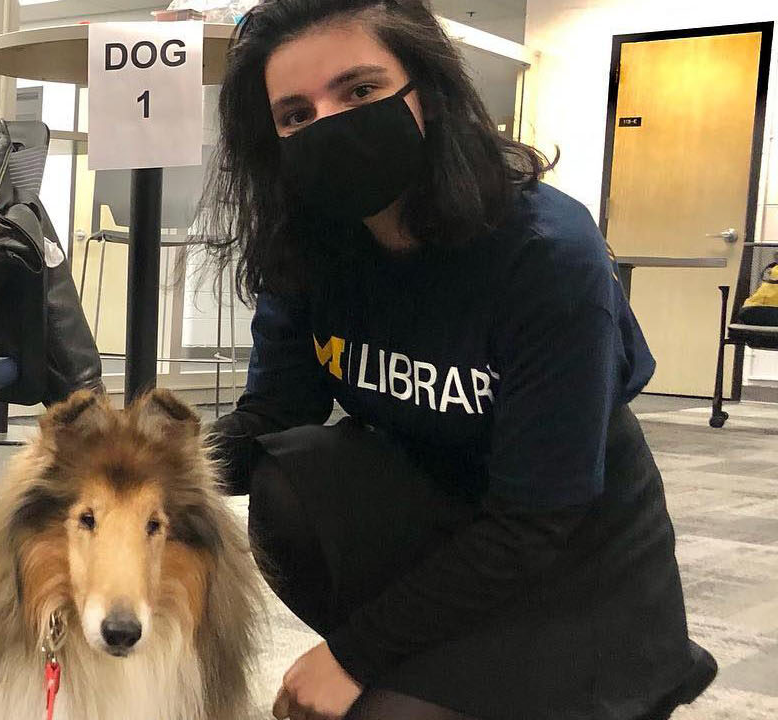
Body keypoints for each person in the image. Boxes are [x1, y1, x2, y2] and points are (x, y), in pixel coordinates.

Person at [203, 1, 715, 719]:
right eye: (295, 114)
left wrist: (354, 655)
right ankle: (437, 665)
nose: (330, 125)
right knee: (290, 484)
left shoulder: (546, 255)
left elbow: (536, 519)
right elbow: (276, 412)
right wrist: (132, 462)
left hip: (574, 560)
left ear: (430, 92)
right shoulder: (312, 245)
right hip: (441, 527)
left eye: (359, 91)